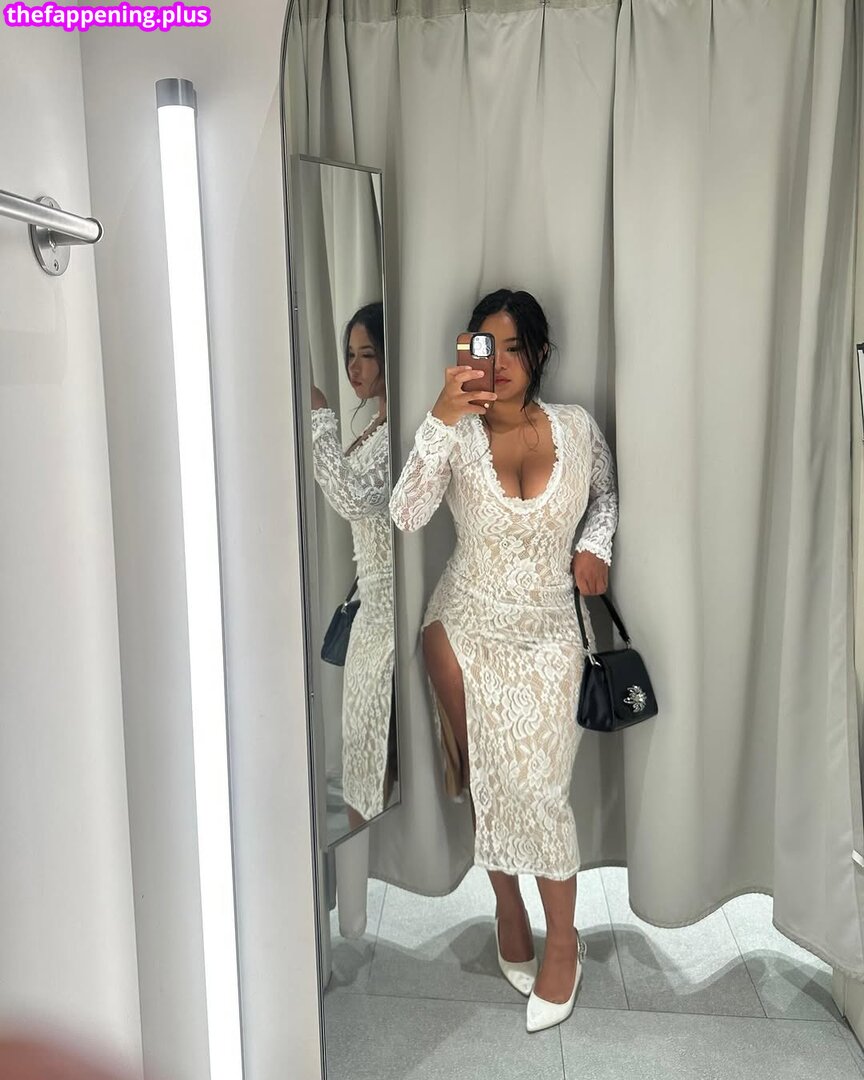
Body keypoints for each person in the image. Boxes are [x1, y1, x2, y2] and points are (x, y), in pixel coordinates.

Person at [389, 288, 618, 1033]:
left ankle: (564, 943)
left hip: (553, 630)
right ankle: (507, 905)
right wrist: (440, 414)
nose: (501, 363)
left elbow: (605, 494)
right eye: (486, 347)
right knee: (487, 775)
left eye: (515, 347)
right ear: (467, 354)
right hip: (464, 626)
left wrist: (594, 547)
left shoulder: (576, 427)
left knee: (541, 788)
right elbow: (405, 515)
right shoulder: (455, 434)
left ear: (540, 353)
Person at [310, 301, 395, 831]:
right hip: (369, 610)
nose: (354, 367)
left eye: (367, 354)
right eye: (349, 355)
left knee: (369, 757)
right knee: (360, 758)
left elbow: (352, 497)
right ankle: (365, 866)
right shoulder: (376, 424)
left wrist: (320, 416)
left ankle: (373, 860)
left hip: (388, 616)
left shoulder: (397, 430)